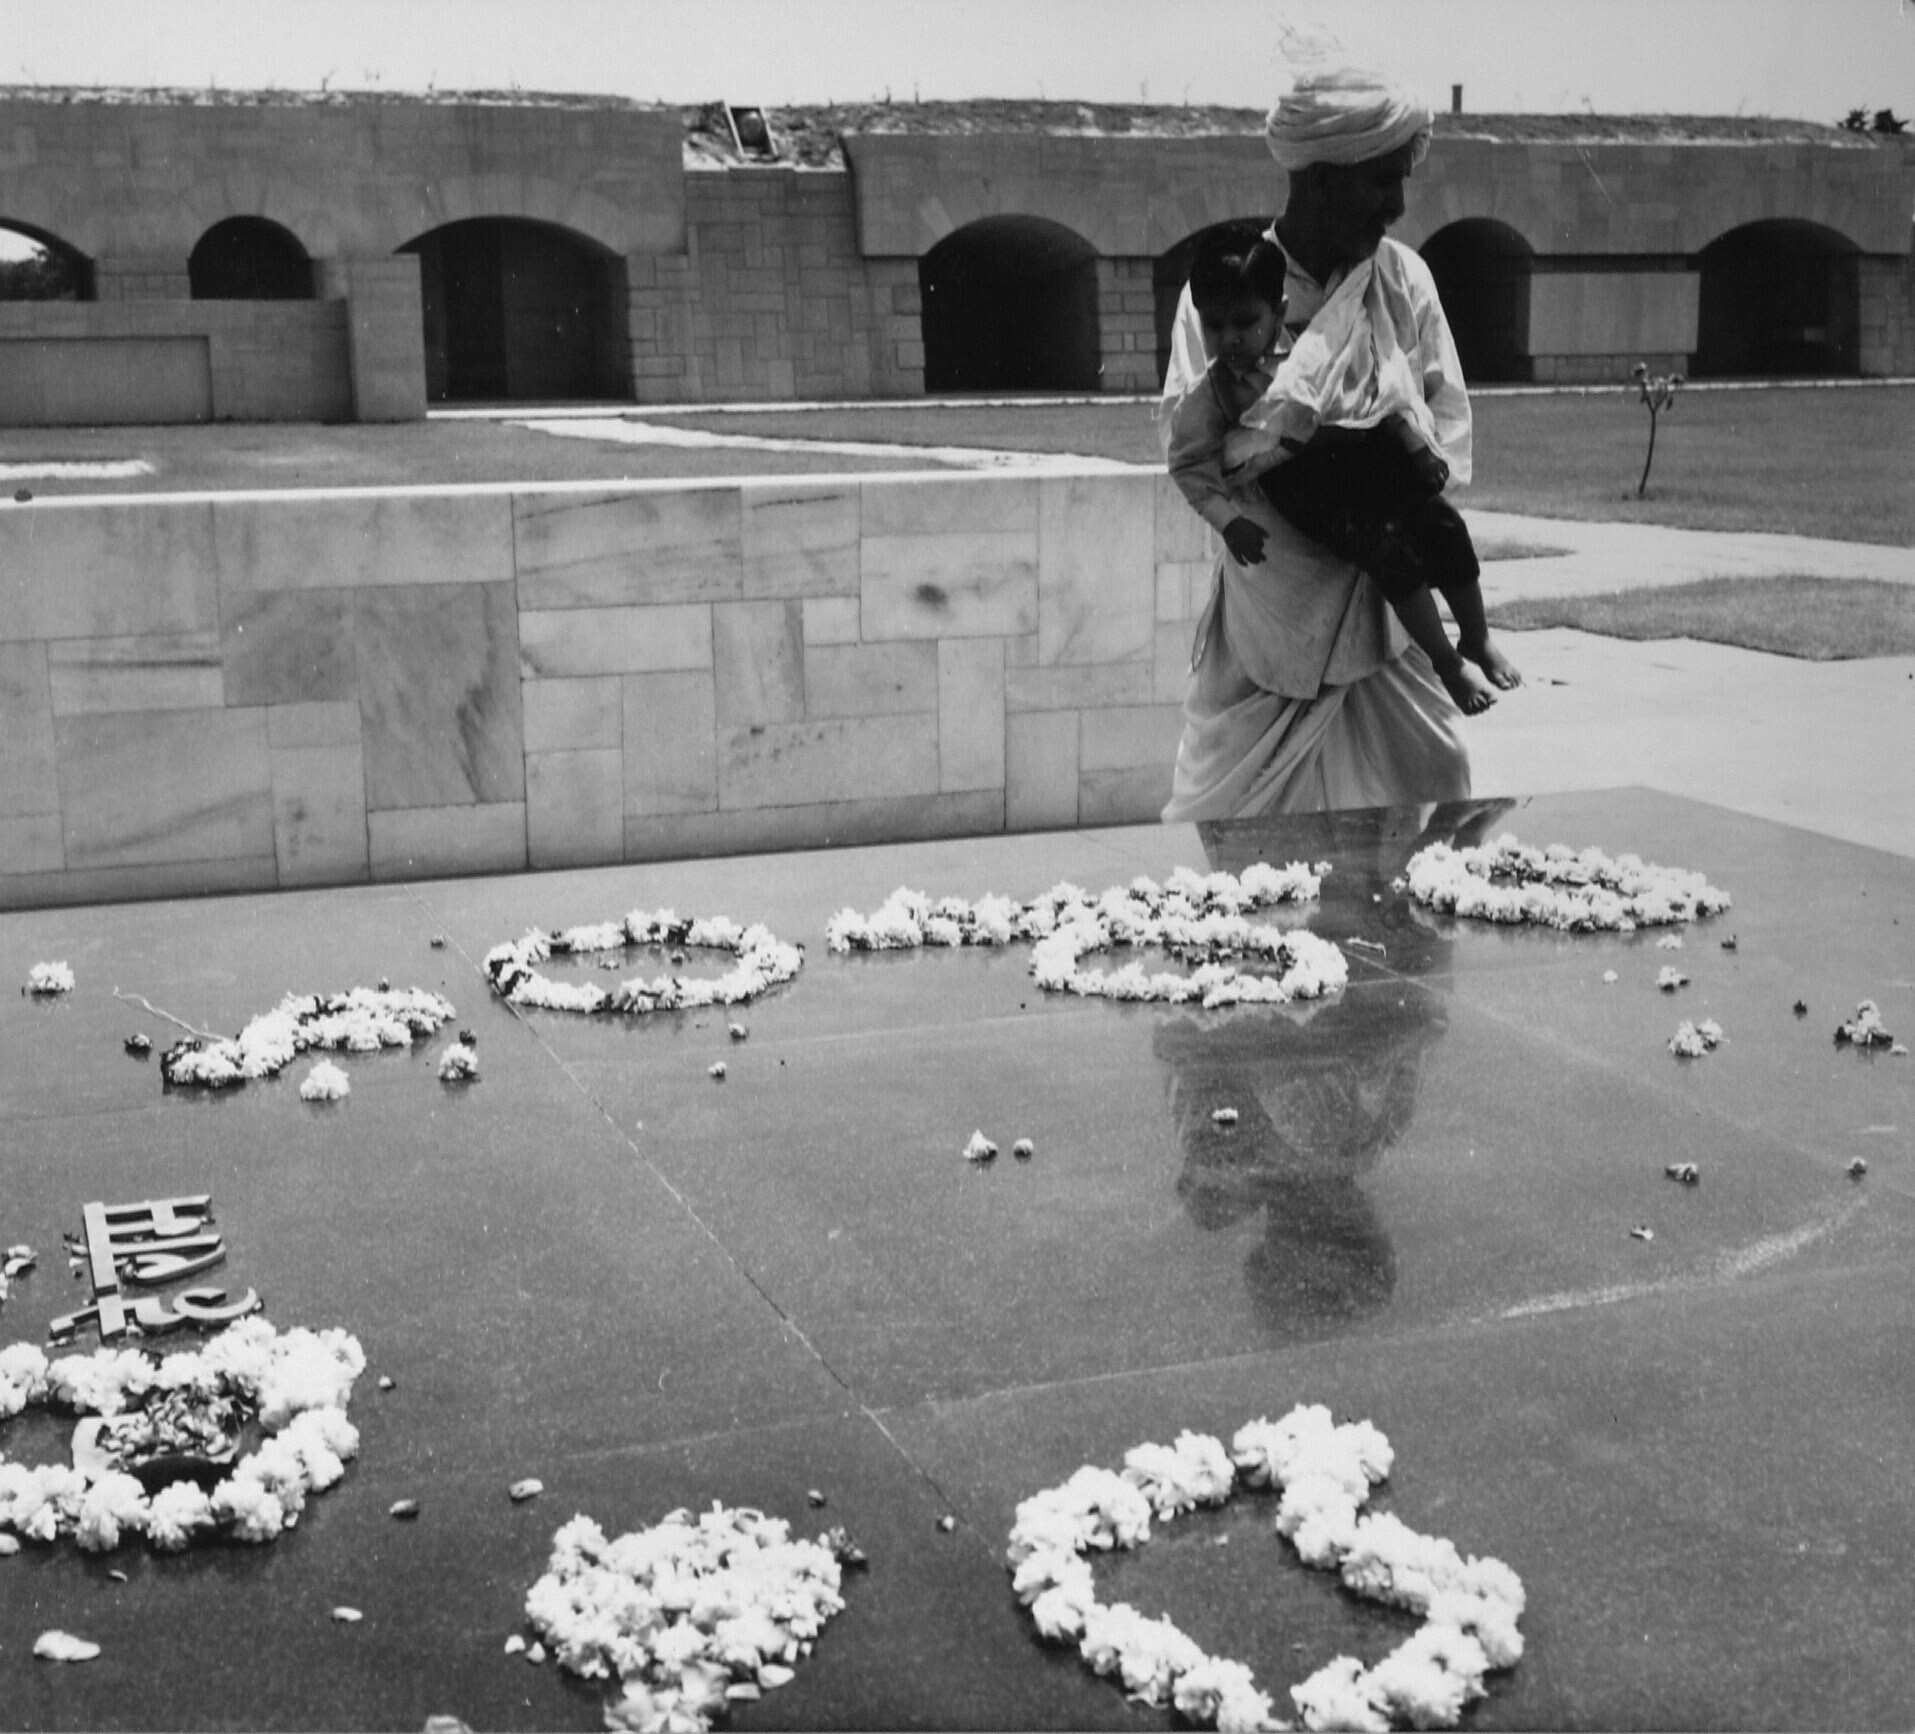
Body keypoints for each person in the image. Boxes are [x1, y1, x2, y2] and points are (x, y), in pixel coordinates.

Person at [1159, 57, 1513, 822]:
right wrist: (1308, 448)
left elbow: (1447, 425)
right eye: (1382, 180)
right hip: (1276, 623)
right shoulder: (1228, 287)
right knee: (1247, 841)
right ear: (1321, 178)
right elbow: (1194, 441)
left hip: (1391, 619)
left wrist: (1382, 445)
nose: (1396, 205)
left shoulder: (1403, 278)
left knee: (1437, 784)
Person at [1165, 225, 1518, 715]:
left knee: (1443, 525)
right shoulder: (1211, 394)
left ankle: (1476, 636)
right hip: (1304, 485)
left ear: (1279, 313)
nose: (1230, 339)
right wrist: (1230, 522)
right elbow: (1189, 464)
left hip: (1365, 453)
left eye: (1245, 322)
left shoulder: (1315, 349)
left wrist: (1416, 447)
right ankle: (1447, 661)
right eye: (1214, 326)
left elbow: (1375, 393)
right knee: (1388, 552)